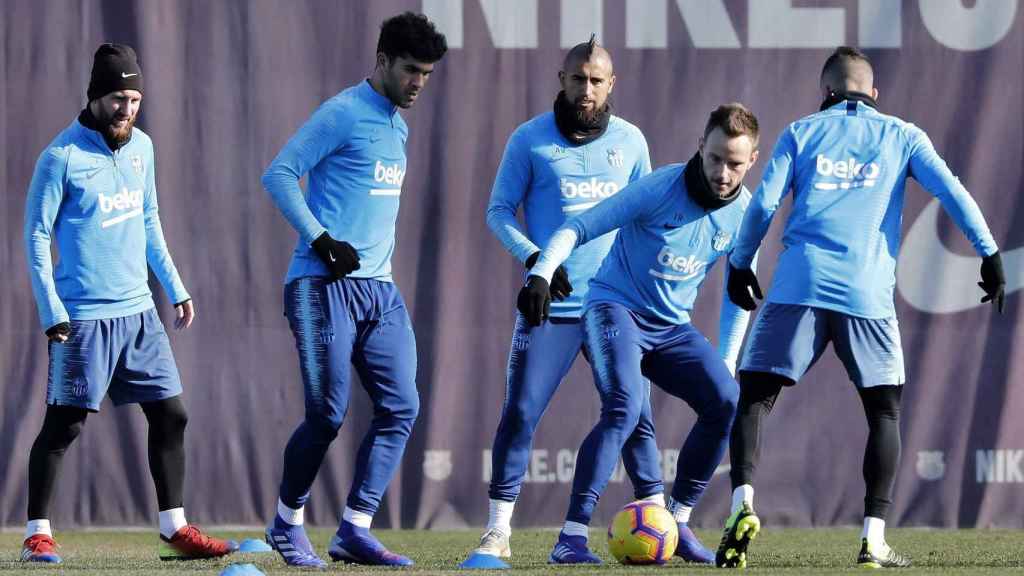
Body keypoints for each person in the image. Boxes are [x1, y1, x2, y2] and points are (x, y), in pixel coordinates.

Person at [718, 46, 1005, 569]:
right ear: (874, 94)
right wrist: (988, 252)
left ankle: (743, 505)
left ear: (825, 93)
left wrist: (740, 263)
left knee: (756, 397)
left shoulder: (802, 131)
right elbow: (952, 191)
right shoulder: (901, 134)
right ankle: (873, 538)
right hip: (866, 296)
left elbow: (762, 203)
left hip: (797, 287)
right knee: (884, 412)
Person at [22, 43, 237, 564]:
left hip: (140, 313)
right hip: (84, 319)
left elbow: (149, 223)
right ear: (96, 96)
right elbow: (34, 237)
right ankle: (36, 534)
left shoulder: (142, 147)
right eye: (118, 97)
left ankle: (175, 528)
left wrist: (176, 287)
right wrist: (52, 310)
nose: (127, 109)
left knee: (172, 415)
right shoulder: (61, 158)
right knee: (65, 424)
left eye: (135, 99)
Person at [519, 103, 760, 564]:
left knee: (727, 399)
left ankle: (679, 522)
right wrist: (543, 272)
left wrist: (726, 363)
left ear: (751, 161)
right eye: (714, 158)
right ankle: (569, 537)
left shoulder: (747, 215)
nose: (723, 172)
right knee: (626, 407)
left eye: (734, 163)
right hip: (614, 310)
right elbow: (578, 226)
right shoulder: (660, 187)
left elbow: (738, 293)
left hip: (671, 329)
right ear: (700, 147)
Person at [462, 38, 671, 569]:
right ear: (562, 78)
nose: (586, 88)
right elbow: (498, 211)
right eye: (578, 78)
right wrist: (537, 261)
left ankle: (662, 522)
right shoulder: (529, 140)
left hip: (615, 308)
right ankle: (497, 532)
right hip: (549, 307)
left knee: (636, 418)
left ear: (611, 84)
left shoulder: (631, 142)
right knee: (521, 412)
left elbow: (645, 218)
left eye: (596, 80)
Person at [260, 12, 447, 568]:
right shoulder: (343, 112)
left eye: (428, 74)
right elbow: (278, 173)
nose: (418, 82)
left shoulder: (399, 125)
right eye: (411, 70)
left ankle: (354, 529)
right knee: (327, 413)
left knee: (402, 405)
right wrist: (320, 240)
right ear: (383, 60)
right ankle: (286, 522)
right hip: (321, 285)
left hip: (378, 292)